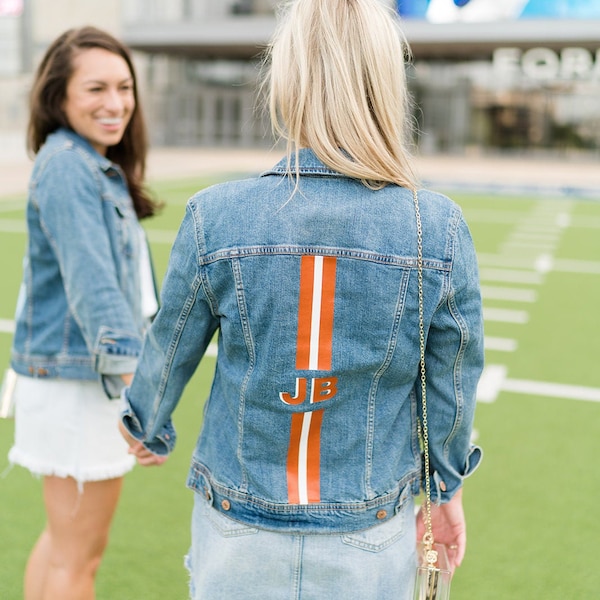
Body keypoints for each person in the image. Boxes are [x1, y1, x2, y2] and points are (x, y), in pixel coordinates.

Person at [120, 1, 484, 598]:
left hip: (235, 528)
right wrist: (445, 492)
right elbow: (451, 383)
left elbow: (170, 340)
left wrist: (145, 421)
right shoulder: (435, 226)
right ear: (385, 81)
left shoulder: (216, 213)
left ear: (287, 79)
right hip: (367, 536)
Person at [8, 26, 161, 600]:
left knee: (62, 549)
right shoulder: (71, 167)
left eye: (124, 87)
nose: (116, 103)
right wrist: (142, 399)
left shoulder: (84, 163)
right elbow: (97, 293)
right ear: (59, 97)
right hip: (78, 385)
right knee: (79, 562)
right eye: (96, 88)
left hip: (70, 381)